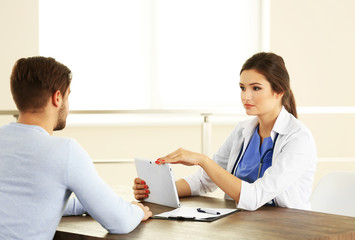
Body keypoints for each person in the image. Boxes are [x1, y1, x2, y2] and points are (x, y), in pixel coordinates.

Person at [133, 52, 317, 211]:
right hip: (245, 226)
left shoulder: (298, 139)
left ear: (279, 91)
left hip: (288, 229)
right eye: (242, 88)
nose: (246, 96)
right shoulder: (242, 131)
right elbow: (204, 181)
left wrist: (202, 160)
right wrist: (157, 191)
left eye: (256, 88)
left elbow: (254, 197)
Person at [0, 56, 152, 240]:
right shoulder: (64, 151)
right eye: (68, 95)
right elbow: (120, 222)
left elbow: (31, 200)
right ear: (57, 98)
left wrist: (88, 203)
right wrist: (136, 211)